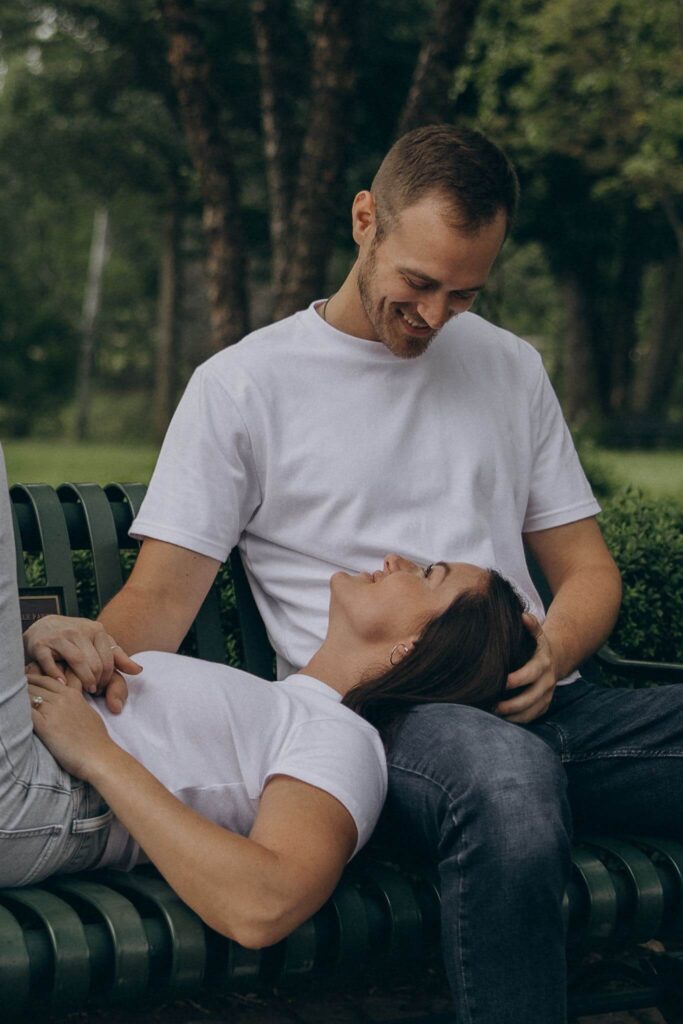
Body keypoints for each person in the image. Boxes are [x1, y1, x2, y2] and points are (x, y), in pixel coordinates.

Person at [24, 125, 683, 1023]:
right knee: (503, 783)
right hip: (397, 722)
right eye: (418, 284)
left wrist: (552, 650)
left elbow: (588, 572)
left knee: (522, 761)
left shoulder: (508, 365)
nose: (435, 315)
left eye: (463, 293)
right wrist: (69, 657)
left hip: (553, 703)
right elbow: (161, 604)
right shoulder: (244, 386)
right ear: (365, 220)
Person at [4, 441, 534, 943]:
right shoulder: (289, 705)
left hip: (40, 791)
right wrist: (41, 637)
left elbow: (264, 905)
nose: (395, 560)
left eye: (426, 575)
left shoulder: (343, 740)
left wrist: (97, 753)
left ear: (414, 647)